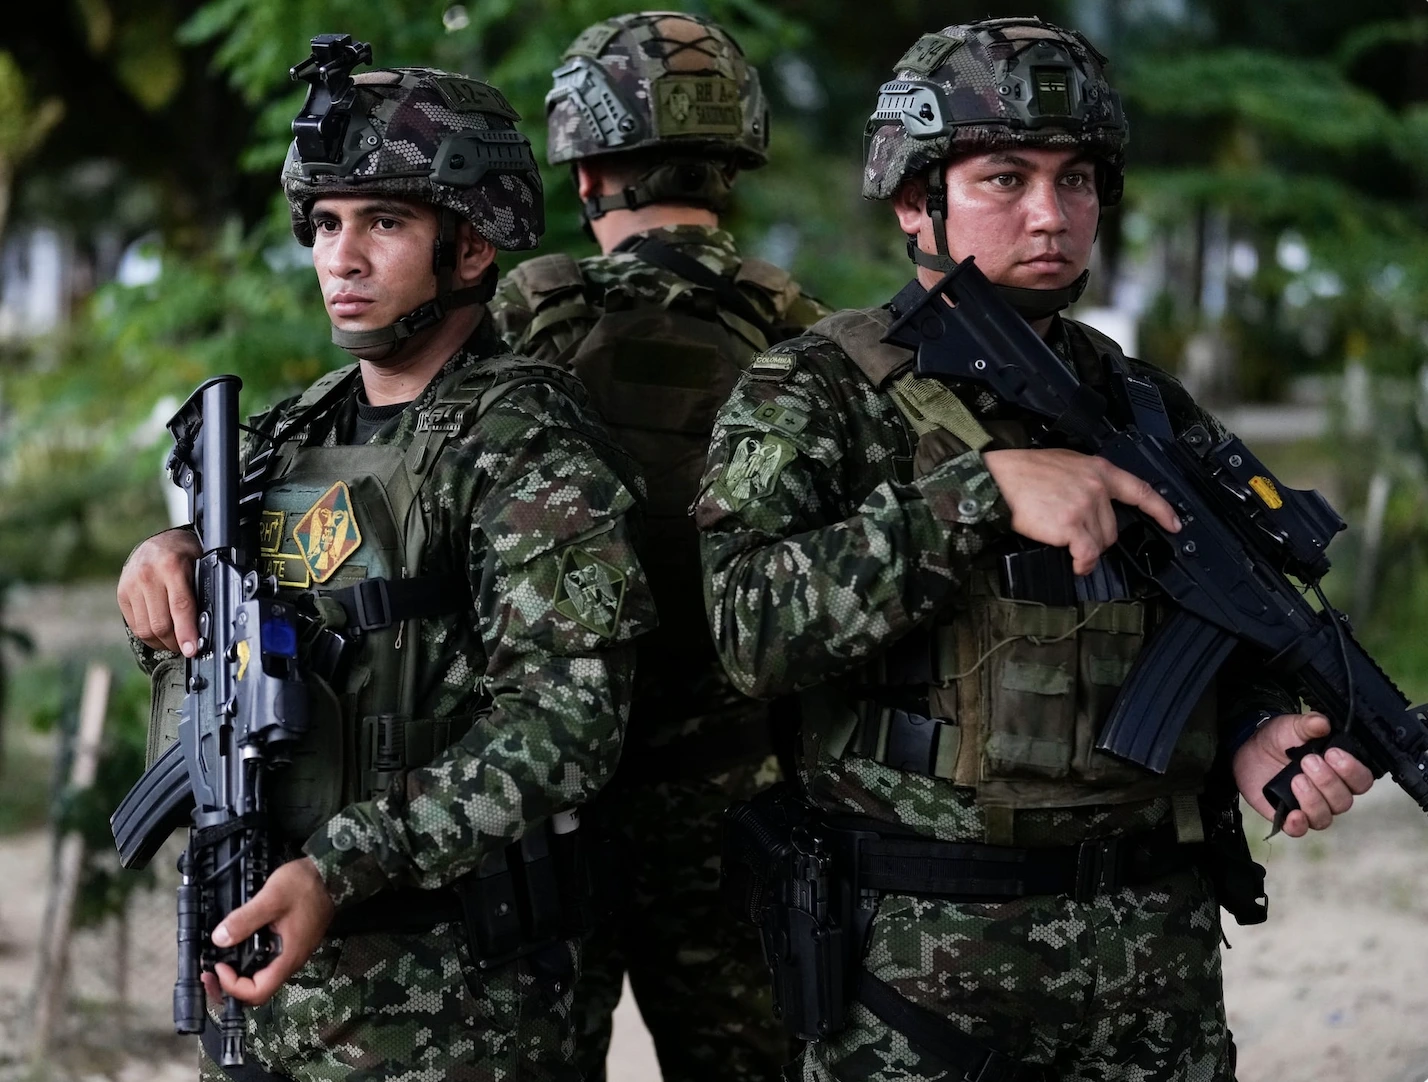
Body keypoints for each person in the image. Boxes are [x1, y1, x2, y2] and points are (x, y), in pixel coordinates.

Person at [695, 17, 1373, 1082]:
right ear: (916, 197)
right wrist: (977, 494)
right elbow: (746, 631)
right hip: (924, 965)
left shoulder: (1138, 397)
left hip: (1153, 957)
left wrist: (1249, 725)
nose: (1050, 215)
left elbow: (1212, 612)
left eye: (1077, 180)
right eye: (1004, 177)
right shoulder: (816, 392)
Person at [116, 42, 654, 1082]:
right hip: (270, 973)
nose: (341, 258)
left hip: (451, 1004)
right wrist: (168, 554)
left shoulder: (529, 444)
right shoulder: (288, 432)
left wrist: (342, 866)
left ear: (473, 248)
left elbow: (566, 728)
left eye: (386, 222)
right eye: (326, 223)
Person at [489, 12, 829, 1082]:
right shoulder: (804, 336)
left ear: (585, 171)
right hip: (741, 797)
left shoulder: (519, 319)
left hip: (545, 799)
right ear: (733, 164)